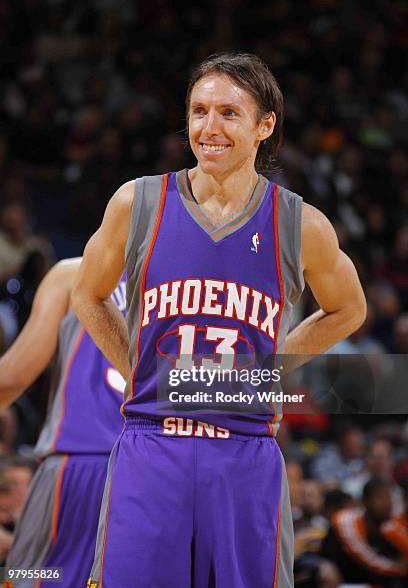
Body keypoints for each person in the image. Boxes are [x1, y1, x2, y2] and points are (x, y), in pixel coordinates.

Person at [73, 53, 367, 587]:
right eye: (198, 111)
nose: (209, 128)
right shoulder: (137, 202)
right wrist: (137, 369)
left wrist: (270, 371)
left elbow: (349, 309)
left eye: (229, 113)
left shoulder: (300, 223)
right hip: (152, 442)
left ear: (264, 125)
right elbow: (89, 296)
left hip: (244, 451)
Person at [0, 259, 126, 588]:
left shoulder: (73, 272)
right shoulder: (196, 281)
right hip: (155, 473)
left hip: (76, 472)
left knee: (35, 579)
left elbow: (11, 378)